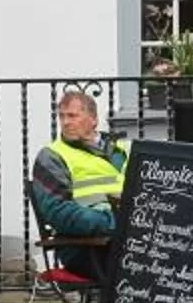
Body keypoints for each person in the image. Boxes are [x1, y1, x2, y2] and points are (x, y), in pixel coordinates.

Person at [28, 88, 129, 282]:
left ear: (93, 120)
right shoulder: (52, 157)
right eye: (62, 116)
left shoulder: (122, 151)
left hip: (126, 240)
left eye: (72, 116)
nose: (66, 122)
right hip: (87, 248)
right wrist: (112, 223)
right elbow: (57, 212)